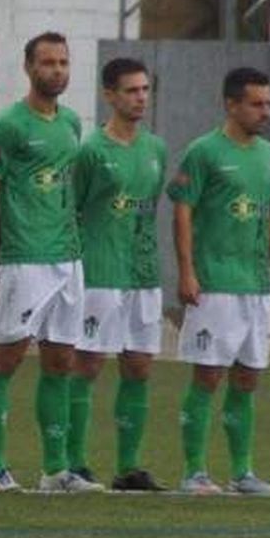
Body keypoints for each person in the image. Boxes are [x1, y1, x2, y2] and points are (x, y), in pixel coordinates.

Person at [0, 32, 95, 494]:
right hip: (25, 259)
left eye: (63, 62)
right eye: (48, 62)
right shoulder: (9, 126)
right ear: (28, 68)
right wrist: (1, 251)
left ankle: (55, 470)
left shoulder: (72, 124)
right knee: (7, 357)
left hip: (68, 258)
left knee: (61, 360)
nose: (57, 70)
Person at [167, 66, 270, 495]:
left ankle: (243, 473)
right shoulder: (203, 151)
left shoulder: (267, 154)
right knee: (208, 376)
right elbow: (182, 211)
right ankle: (194, 472)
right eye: (257, 104)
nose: (266, 112)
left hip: (256, 285)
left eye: (268, 103)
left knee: (248, 378)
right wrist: (187, 271)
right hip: (215, 284)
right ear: (231, 105)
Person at [70, 57, 168, 492]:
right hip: (99, 271)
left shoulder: (156, 149)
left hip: (142, 274)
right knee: (88, 363)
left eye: (145, 90)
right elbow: (73, 209)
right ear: (109, 95)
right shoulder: (90, 151)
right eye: (131, 90)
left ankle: (129, 467)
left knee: (139, 366)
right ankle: (75, 462)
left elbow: (150, 209)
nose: (140, 98)